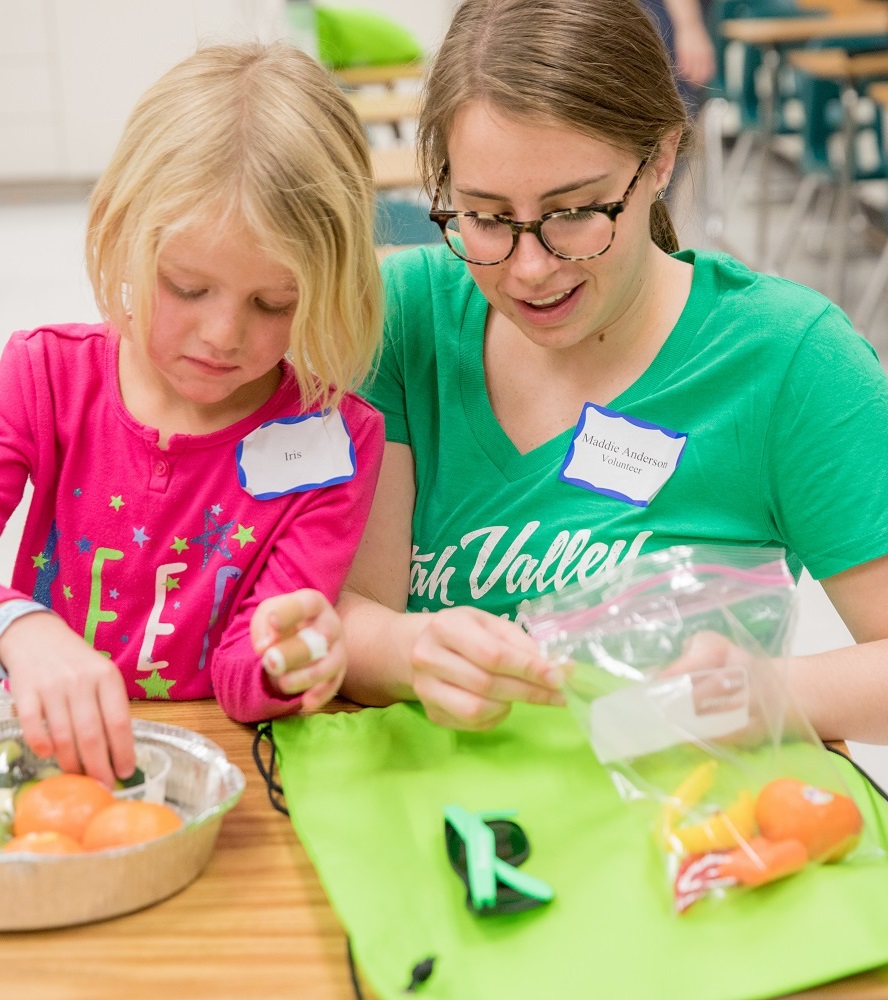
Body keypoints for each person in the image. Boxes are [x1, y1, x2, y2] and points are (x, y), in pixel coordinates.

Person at [269, 0, 888, 745]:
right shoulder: (407, 320)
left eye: (574, 213)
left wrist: (774, 693)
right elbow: (355, 609)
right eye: (486, 217)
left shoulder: (788, 359)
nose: (530, 270)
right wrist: (402, 653)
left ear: (660, 159)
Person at [0, 42, 384, 786]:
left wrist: (286, 660)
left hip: (197, 773)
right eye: (186, 287)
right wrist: (22, 625)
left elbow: (245, 667)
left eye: (276, 304)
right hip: (37, 757)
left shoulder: (334, 440)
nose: (222, 336)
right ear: (121, 230)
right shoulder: (42, 376)